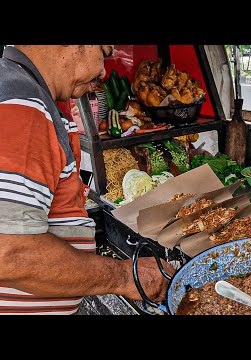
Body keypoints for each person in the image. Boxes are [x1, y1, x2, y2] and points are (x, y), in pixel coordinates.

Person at [0, 45, 174, 315]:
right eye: (104, 52)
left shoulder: (17, 89)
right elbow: (9, 252)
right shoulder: (23, 103)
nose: (105, 70)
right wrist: (125, 278)